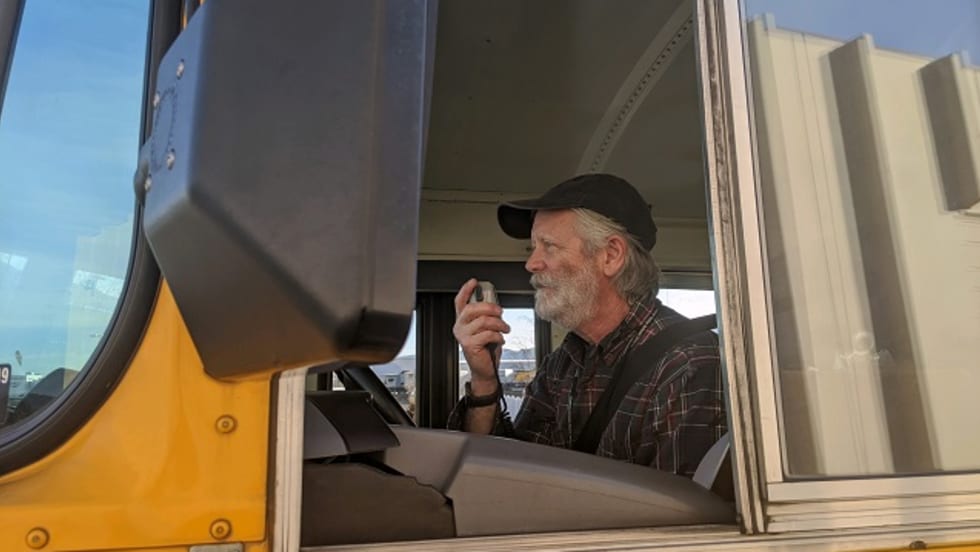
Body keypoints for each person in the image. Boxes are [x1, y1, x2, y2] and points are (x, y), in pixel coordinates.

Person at [447, 173, 726, 477]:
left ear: (611, 256)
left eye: (548, 246)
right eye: (533, 248)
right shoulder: (561, 365)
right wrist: (484, 381)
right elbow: (511, 473)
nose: (531, 264)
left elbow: (680, 507)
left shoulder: (688, 364)